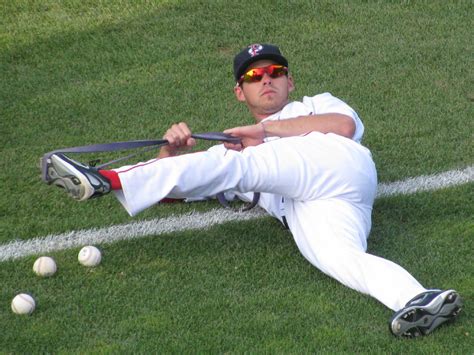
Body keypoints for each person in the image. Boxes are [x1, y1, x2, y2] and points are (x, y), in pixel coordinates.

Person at [44, 43, 463, 338]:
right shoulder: (238, 147)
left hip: (338, 168)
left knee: (237, 163)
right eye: (254, 75)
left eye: (275, 72)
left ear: (290, 81)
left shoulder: (315, 105)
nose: (267, 79)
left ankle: (108, 179)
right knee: (341, 258)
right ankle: (419, 299)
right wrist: (169, 152)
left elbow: (344, 128)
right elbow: (183, 190)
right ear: (239, 91)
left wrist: (264, 132)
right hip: (308, 206)